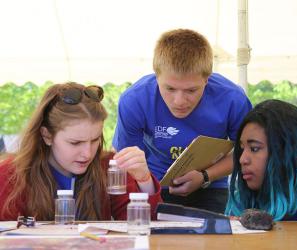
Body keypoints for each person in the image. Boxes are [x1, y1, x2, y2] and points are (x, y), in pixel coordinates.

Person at [112, 28, 252, 213]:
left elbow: (246, 154)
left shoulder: (233, 99)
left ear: (207, 79)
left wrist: (205, 176)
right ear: (156, 76)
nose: (179, 101)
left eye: (191, 90)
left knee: (217, 239)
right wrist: (148, 184)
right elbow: (128, 161)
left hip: (211, 184)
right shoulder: (134, 100)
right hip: (154, 184)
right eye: (169, 89)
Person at [0, 82, 162, 221]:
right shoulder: (11, 175)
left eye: (95, 140)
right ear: (47, 135)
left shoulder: (110, 167)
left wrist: (144, 181)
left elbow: (144, 227)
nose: (88, 153)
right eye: (75, 143)